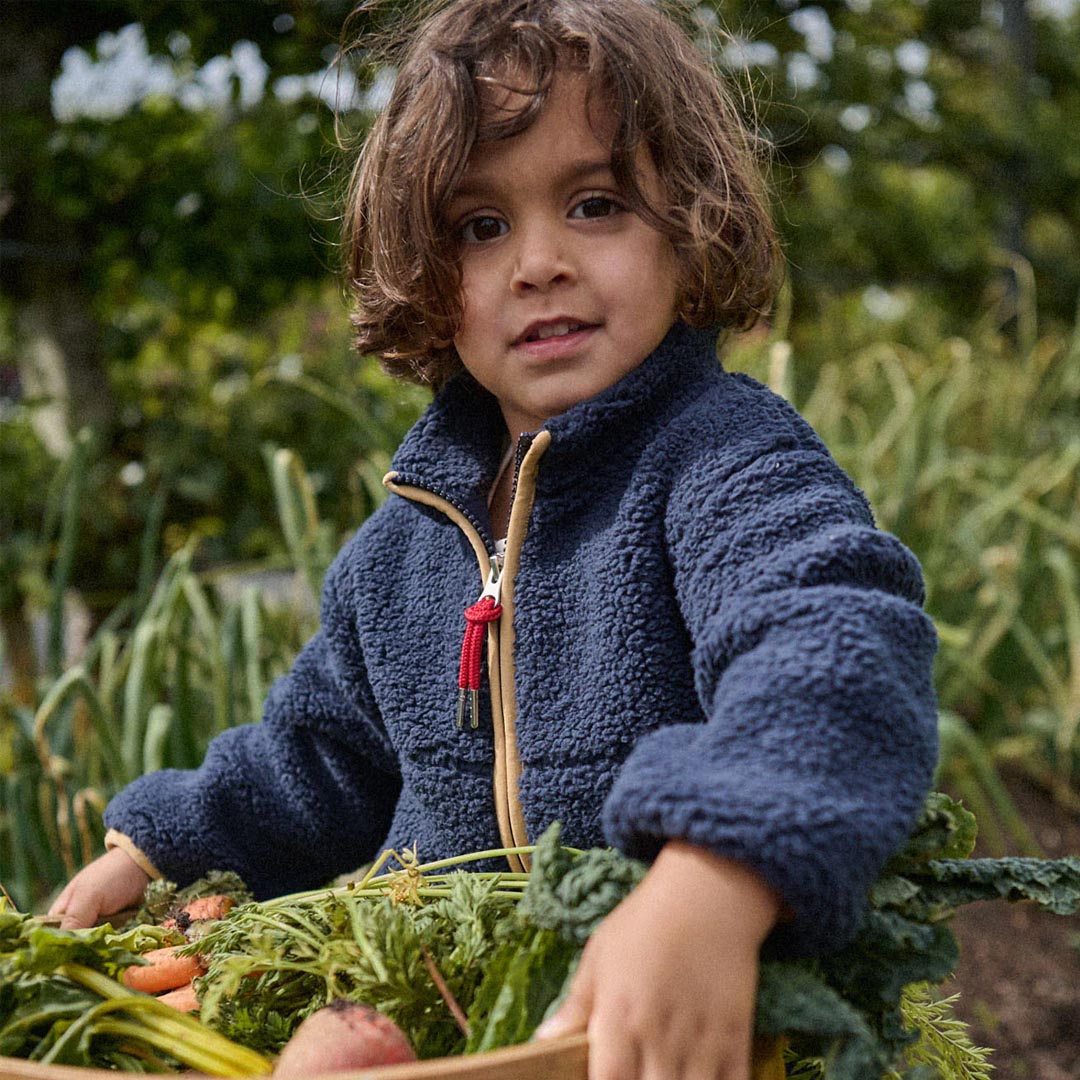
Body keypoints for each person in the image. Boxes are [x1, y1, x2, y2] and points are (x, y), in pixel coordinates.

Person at [49, 1, 939, 1076]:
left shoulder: (726, 466)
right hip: (457, 1027)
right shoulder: (401, 550)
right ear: (426, 268)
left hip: (673, 1026)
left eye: (596, 202)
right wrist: (159, 846)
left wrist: (714, 876)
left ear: (691, 220)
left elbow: (833, 651)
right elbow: (319, 758)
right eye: (482, 226)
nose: (539, 263)